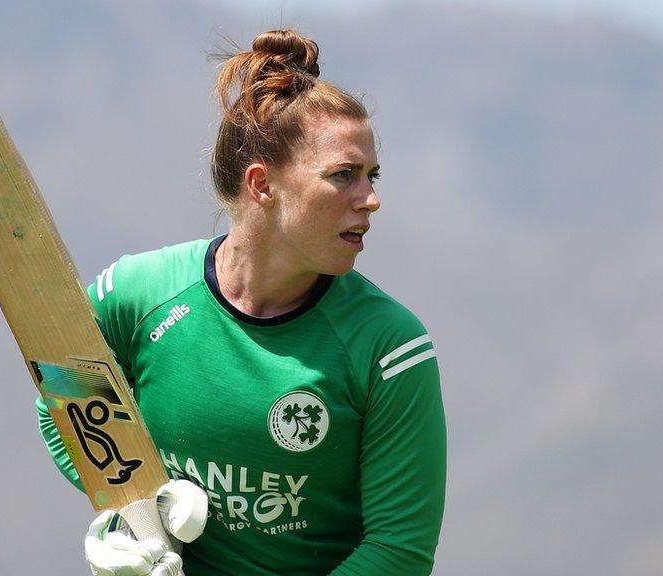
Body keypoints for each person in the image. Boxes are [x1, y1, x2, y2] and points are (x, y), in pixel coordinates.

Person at [37, 29, 446, 576]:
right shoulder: (137, 294)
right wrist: (132, 514)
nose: (370, 198)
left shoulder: (390, 346)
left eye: (371, 175)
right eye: (343, 175)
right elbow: (61, 403)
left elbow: (399, 551)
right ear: (262, 184)